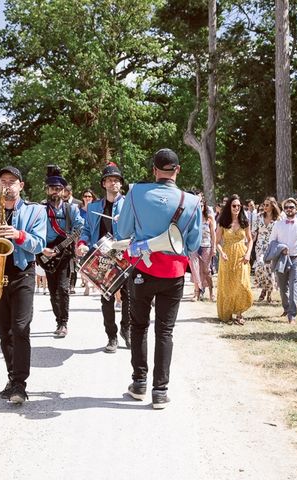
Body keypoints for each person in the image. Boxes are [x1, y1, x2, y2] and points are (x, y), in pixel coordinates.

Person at [117, 148, 202, 409]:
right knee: (165, 330)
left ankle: (139, 383)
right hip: (174, 272)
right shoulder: (191, 201)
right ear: (177, 170)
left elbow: (123, 231)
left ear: (154, 170)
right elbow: (193, 244)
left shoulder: (136, 192)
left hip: (143, 268)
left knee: (139, 326)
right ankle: (160, 391)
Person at [0, 166, 46, 404]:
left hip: (23, 272)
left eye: (12, 181)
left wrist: (18, 235)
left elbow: (39, 244)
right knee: (5, 332)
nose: (8, 185)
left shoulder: (36, 212)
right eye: (3, 181)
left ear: (21, 186)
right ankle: (12, 377)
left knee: (21, 328)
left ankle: (20, 384)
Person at [77, 163, 130, 353]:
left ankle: (126, 328)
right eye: (109, 180)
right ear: (104, 183)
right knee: (106, 298)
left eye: (116, 180)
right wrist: (82, 243)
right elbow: (86, 230)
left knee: (129, 297)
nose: (113, 183)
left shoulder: (129, 204)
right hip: (101, 256)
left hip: (124, 255)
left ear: (120, 184)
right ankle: (112, 336)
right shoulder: (93, 207)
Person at [40, 174, 84, 337]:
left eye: (58, 189)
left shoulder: (70, 209)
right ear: (47, 190)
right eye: (52, 188)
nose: (55, 192)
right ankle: (58, 320)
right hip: (46, 253)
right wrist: (42, 248)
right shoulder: (41, 209)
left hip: (64, 254)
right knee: (52, 290)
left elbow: (80, 226)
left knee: (63, 289)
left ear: (63, 191)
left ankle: (63, 323)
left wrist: (69, 240)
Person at [267, 198, 297, 325]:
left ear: (296, 209)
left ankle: (292, 315)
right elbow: (272, 241)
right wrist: (281, 248)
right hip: (281, 259)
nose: (289, 209)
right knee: (283, 287)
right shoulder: (278, 225)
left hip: (296, 258)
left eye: (291, 207)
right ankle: (286, 308)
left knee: (294, 286)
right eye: (287, 207)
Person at [216, 195, 254, 324]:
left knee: (242, 283)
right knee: (228, 285)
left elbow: (250, 240)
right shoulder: (223, 222)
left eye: (238, 206)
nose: (236, 208)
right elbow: (216, 242)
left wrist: (248, 253)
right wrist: (221, 253)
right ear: (229, 207)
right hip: (227, 256)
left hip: (242, 256)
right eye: (234, 206)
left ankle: (239, 313)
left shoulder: (245, 221)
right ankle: (228, 312)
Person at [253, 196, 280, 302]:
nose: (264, 206)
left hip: (272, 246)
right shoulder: (258, 217)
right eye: (264, 204)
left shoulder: (278, 219)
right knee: (260, 267)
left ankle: (267, 293)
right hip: (259, 246)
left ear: (273, 206)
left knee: (269, 269)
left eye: (267, 205)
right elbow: (254, 232)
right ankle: (264, 289)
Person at [189, 197, 216, 301]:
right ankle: (196, 293)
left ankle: (211, 291)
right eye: (197, 205)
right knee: (195, 270)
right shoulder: (192, 218)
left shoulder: (209, 219)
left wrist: (214, 248)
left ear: (204, 206)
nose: (199, 206)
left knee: (206, 271)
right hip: (194, 247)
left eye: (201, 204)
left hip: (206, 246)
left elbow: (213, 235)